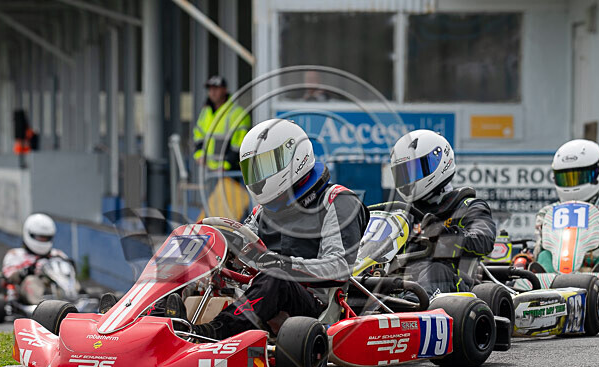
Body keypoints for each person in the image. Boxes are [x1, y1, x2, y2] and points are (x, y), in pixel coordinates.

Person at [176, 118, 368, 339]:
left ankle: (212, 333)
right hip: (260, 291)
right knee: (190, 265)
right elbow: (241, 246)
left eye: (265, 166)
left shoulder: (337, 200)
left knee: (276, 276)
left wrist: (283, 265)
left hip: (314, 305)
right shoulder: (263, 211)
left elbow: (338, 267)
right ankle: (159, 323)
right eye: (254, 169)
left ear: (296, 157)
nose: (259, 177)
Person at [389, 129, 496, 294]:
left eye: (415, 171)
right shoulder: (402, 214)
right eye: (404, 174)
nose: (409, 179)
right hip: (402, 280)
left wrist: (445, 234)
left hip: (454, 284)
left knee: (434, 268)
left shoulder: (468, 206)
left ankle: (412, 307)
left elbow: (483, 240)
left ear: (439, 161)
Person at [533, 139, 599, 287]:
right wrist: (543, 235)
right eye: (566, 178)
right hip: (559, 269)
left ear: (598, 173)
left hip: (597, 264)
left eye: (580, 177)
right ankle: (542, 288)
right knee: (544, 255)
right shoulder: (549, 213)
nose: (573, 184)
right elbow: (537, 251)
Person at [193, 75, 252, 220]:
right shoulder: (205, 113)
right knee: (216, 208)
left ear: (224, 90)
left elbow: (239, 144)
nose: (212, 92)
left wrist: (226, 165)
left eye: (216, 89)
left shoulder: (236, 113)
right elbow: (198, 135)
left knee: (236, 207)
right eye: (210, 89)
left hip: (233, 172)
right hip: (212, 171)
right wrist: (199, 154)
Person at [2, 213, 72, 304]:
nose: (43, 240)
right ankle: (42, 307)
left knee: (70, 282)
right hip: (30, 289)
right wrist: (25, 272)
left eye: (46, 238)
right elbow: (9, 276)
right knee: (31, 281)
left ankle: (74, 303)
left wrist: (70, 266)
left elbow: (70, 274)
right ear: (29, 234)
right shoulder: (16, 254)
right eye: (40, 237)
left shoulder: (57, 254)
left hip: (56, 286)